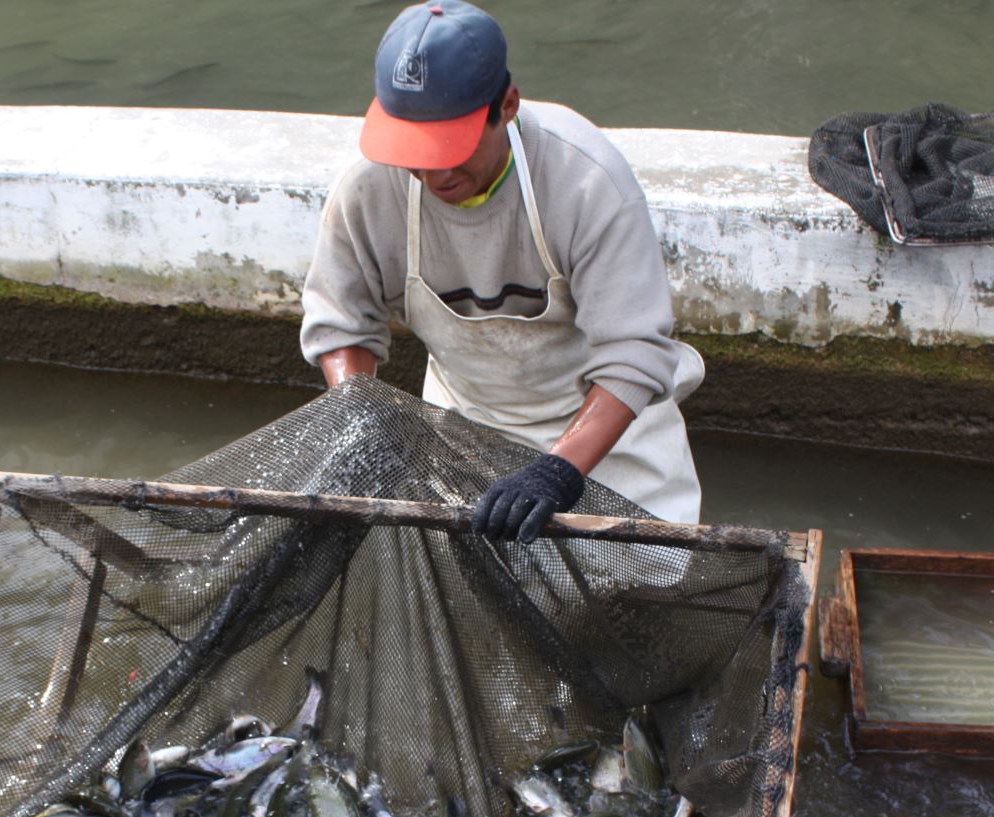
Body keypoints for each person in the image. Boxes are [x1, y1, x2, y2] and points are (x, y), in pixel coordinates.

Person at [300, 0, 705, 543]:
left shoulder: (584, 180)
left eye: (453, 145)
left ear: (507, 105)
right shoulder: (369, 190)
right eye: (416, 148)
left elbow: (636, 354)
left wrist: (557, 471)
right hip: (465, 432)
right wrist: (361, 425)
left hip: (612, 445)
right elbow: (341, 325)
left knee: (640, 596)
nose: (436, 172)